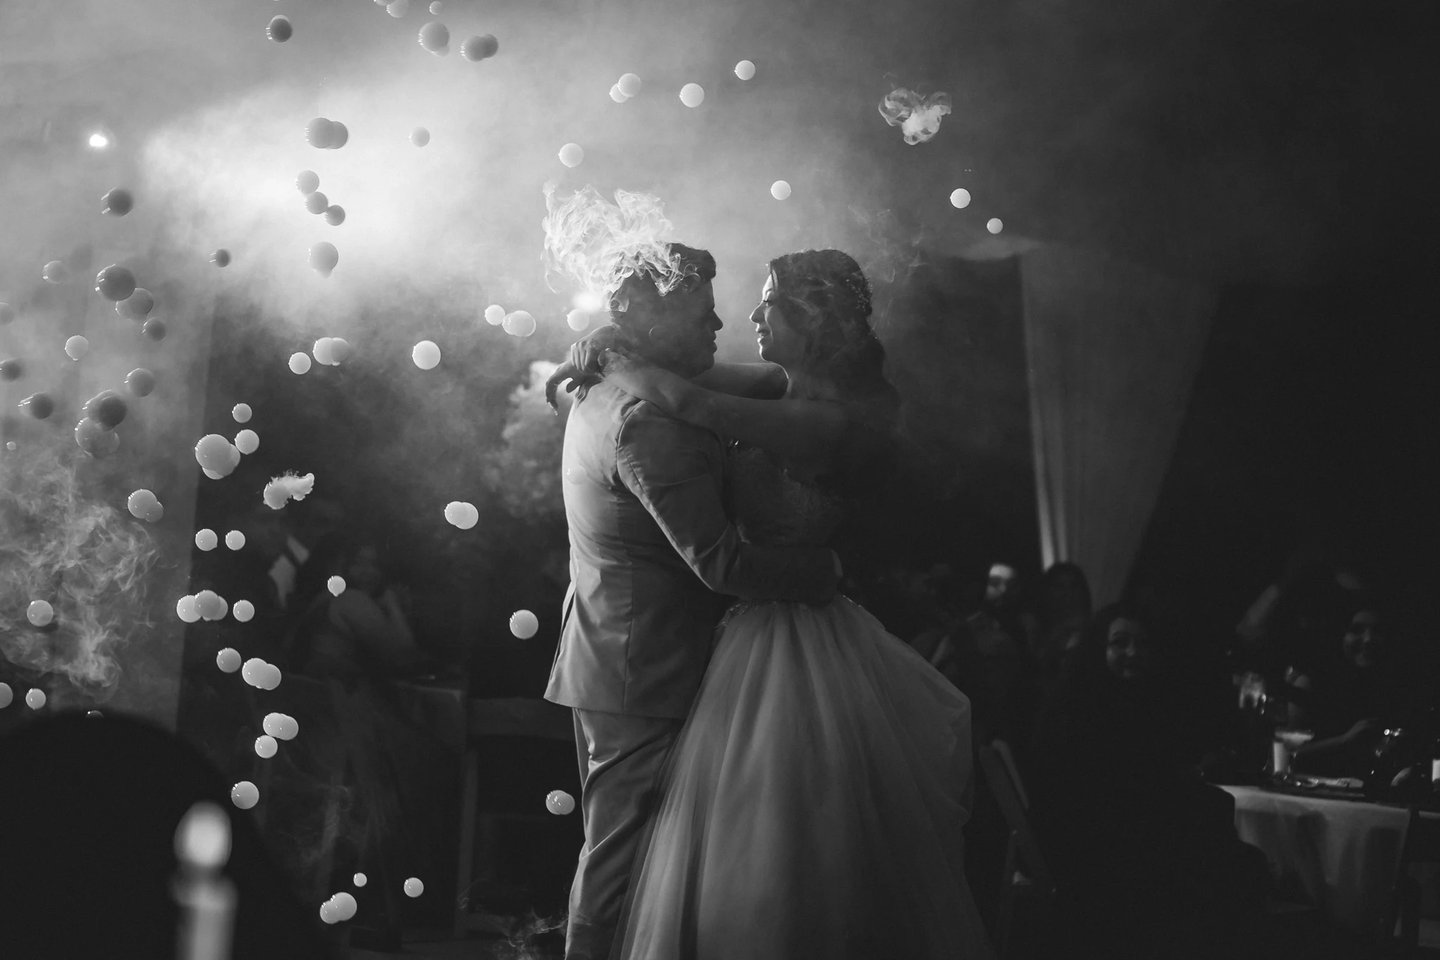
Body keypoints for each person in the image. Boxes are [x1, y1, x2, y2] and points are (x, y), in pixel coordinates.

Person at [550, 249, 992, 959]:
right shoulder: (764, 391)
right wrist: (613, 346)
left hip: (772, 637)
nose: (742, 317)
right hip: (701, 646)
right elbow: (695, 386)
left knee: (777, 842)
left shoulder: (818, 418)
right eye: (720, 309)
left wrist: (616, 357)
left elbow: (693, 400)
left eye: (767, 304)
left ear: (811, 321)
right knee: (694, 843)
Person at [543, 242, 843, 960]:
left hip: (619, 654)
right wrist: (824, 572)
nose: (717, 325)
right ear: (649, 316)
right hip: (642, 668)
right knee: (621, 861)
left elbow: (750, 383)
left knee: (637, 853)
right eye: (700, 313)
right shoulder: (645, 420)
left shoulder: (617, 385)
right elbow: (720, 562)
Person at [1029, 602, 1269, 958]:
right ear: (1100, 649)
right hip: (1091, 853)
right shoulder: (1079, 710)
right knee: (1237, 865)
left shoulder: (1134, 703)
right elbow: (1100, 796)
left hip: (1122, 837)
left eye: (1141, 644)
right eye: (1120, 642)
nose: (1133, 652)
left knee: (1238, 855)